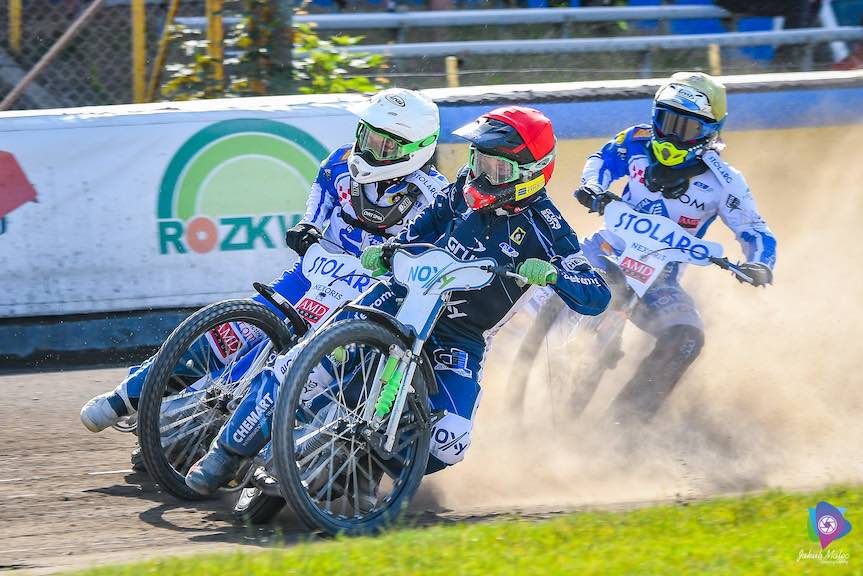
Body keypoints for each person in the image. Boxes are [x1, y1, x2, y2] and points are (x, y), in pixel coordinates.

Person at [183, 105, 611, 494]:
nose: (480, 175)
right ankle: (224, 456)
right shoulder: (460, 189)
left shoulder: (548, 228)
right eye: (477, 160)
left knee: (449, 442)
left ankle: (356, 470)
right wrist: (390, 250)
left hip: (459, 335)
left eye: (496, 169)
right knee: (304, 363)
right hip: (401, 295)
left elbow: (596, 295)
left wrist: (556, 274)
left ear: (533, 173)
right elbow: (421, 227)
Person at [79, 88, 448, 439]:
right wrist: (308, 226)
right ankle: (125, 397)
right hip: (312, 274)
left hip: (365, 297)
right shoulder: (338, 163)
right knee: (229, 333)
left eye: (385, 145)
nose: (368, 150)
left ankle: (239, 432)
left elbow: (430, 258)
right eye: (366, 136)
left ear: (416, 150)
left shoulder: (436, 197)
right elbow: (319, 198)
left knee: (301, 367)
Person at [573, 71, 777, 423]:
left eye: (686, 128)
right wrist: (592, 187)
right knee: (540, 283)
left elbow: (756, 231)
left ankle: (620, 428)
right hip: (604, 251)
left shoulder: (726, 182)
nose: (671, 135)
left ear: (711, 131)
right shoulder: (634, 140)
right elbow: (601, 160)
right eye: (666, 121)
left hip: (658, 279)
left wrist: (760, 263)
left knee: (686, 339)